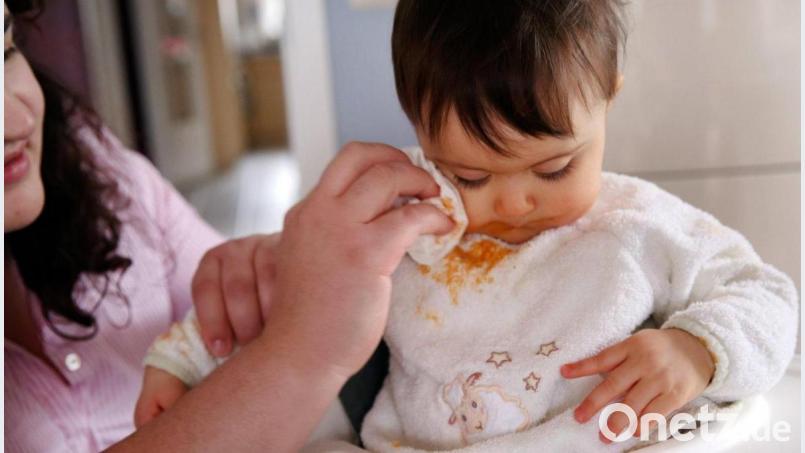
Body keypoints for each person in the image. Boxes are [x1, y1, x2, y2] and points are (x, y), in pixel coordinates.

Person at [137, 0, 799, 452]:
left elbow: (767, 295)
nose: (513, 204)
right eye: (471, 176)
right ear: (417, 127)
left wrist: (696, 350)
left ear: (606, 99)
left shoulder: (640, 223)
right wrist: (180, 362)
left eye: (554, 167)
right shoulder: (400, 218)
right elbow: (290, 293)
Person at [3, 2, 452, 451]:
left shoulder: (94, 164)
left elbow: (229, 306)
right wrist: (299, 351)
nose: (19, 121)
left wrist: (265, 273)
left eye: (5, 50)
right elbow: (298, 342)